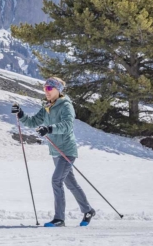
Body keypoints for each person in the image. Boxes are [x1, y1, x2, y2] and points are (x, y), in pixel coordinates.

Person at [11, 77, 96, 227]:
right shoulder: (46, 106)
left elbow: (67, 125)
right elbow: (33, 122)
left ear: (58, 90)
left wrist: (49, 129)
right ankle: (88, 210)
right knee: (70, 183)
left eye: (49, 89)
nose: (46, 91)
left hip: (67, 150)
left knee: (56, 180)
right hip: (55, 151)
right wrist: (21, 114)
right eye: (45, 88)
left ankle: (59, 219)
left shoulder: (66, 106)